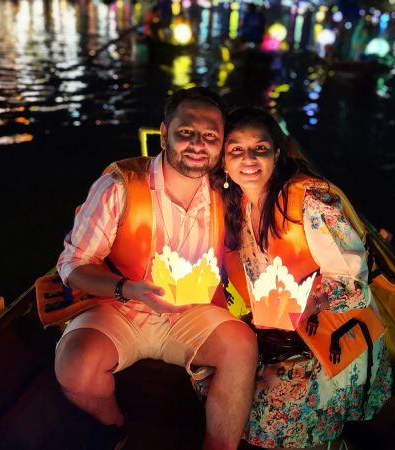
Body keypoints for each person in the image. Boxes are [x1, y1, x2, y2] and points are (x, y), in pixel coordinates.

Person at [54, 87, 258, 450]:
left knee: (241, 346)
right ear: (164, 134)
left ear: (222, 143)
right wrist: (127, 288)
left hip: (192, 313)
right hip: (120, 307)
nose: (198, 144)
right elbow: (73, 264)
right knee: (76, 365)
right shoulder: (120, 185)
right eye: (185, 133)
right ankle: (116, 426)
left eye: (210, 136)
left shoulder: (227, 192)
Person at [206, 107, 392, 448]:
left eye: (260, 148)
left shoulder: (310, 201)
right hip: (277, 334)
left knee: (266, 410)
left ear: (276, 153)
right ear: (224, 162)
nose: (248, 158)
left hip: (329, 335)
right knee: (213, 377)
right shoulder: (239, 204)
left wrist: (300, 316)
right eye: (236, 150)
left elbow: (351, 283)